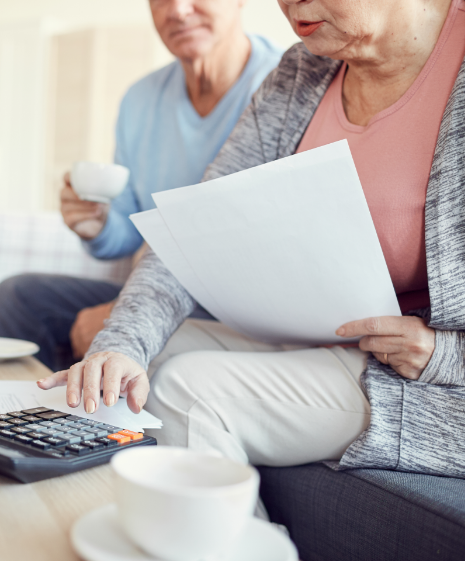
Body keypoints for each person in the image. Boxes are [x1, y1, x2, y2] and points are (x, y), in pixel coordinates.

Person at [38, 0, 465, 481]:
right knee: (146, 356)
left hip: (422, 377)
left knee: (188, 391)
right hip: (323, 337)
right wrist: (122, 344)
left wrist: (446, 355)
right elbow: (195, 228)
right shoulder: (300, 69)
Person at [0, 0, 283, 372]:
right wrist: (98, 224)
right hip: (159, 288)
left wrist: (119, 315)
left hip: (243, 304)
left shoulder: (284, 86)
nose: (177, 10)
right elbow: (126, 229)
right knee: (20, 297)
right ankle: (16, 424)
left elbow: (263, 248)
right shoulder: (141, 99)